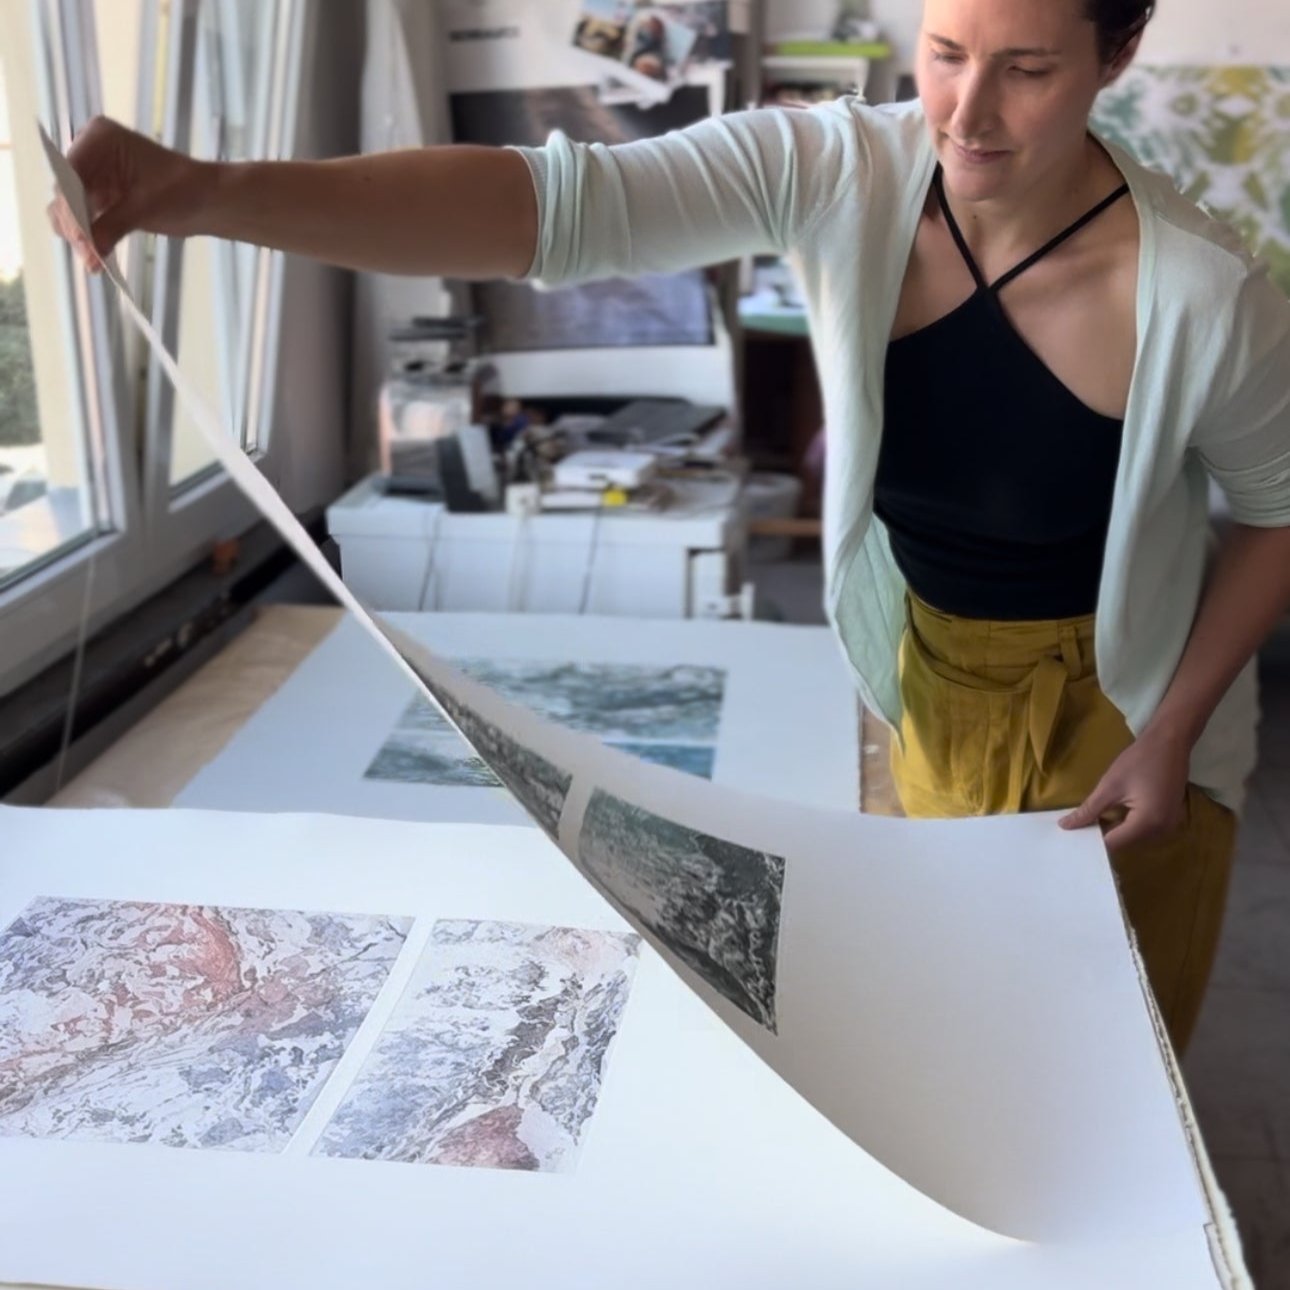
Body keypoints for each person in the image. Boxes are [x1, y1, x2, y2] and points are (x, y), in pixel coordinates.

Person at [51, 0, 1290, 1053]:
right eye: (947, 48)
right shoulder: (839, 169)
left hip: (1134, 718)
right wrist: (194, 191)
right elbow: (552, 209)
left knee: (1105, 1074)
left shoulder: (1201, 293)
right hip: (936, 684)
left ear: (1114, 60)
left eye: (1028, 70)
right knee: (969, 1031)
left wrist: (1174, 730)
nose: (967, 113)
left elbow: (1278, 516)